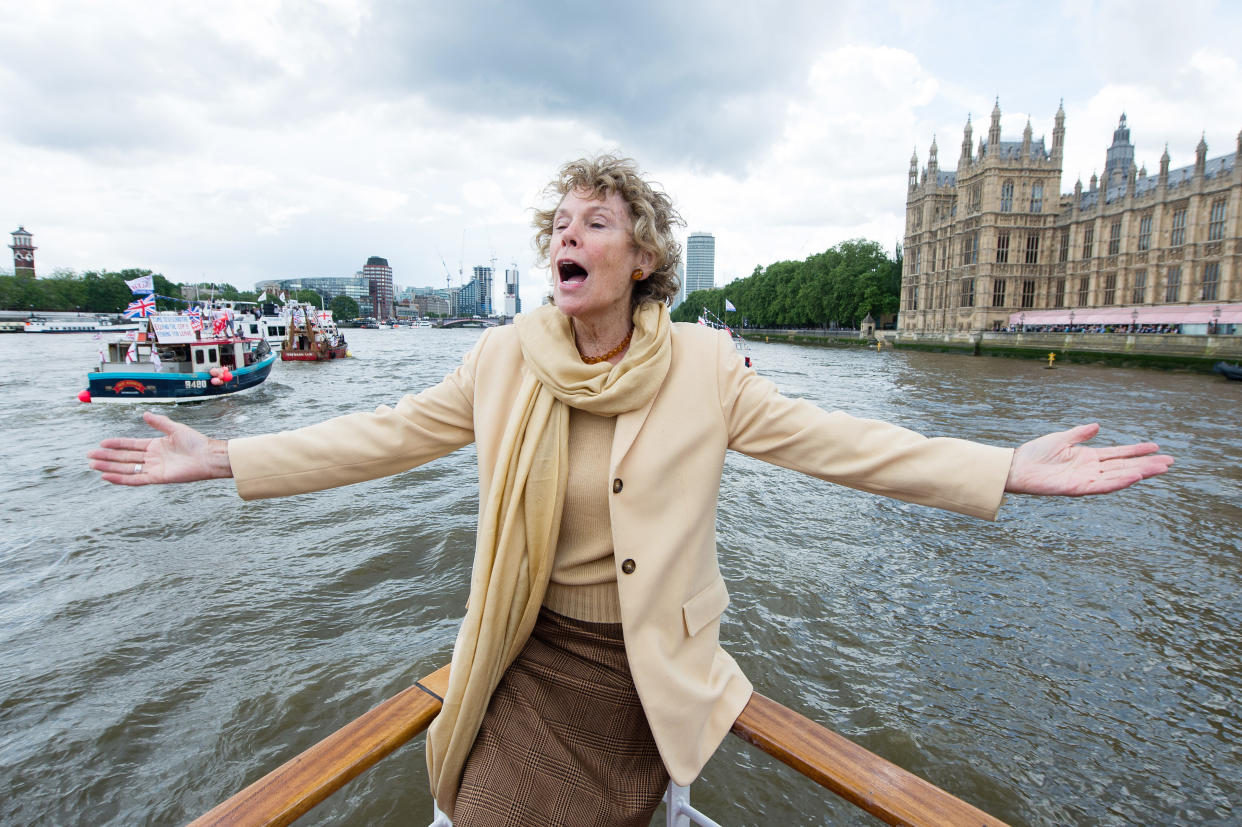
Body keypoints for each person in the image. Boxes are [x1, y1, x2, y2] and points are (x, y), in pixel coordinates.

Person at [88, 155, 1173, 827]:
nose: (569, 232)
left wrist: (1003, 468)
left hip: (646, 670)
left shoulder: (708, 367)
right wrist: (224, 457)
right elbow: (388, 434)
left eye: (595, 220)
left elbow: (840, 444)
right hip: (523, 651)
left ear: (643, 258)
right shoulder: (506, 355)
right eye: (559, 221)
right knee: (478, 808)